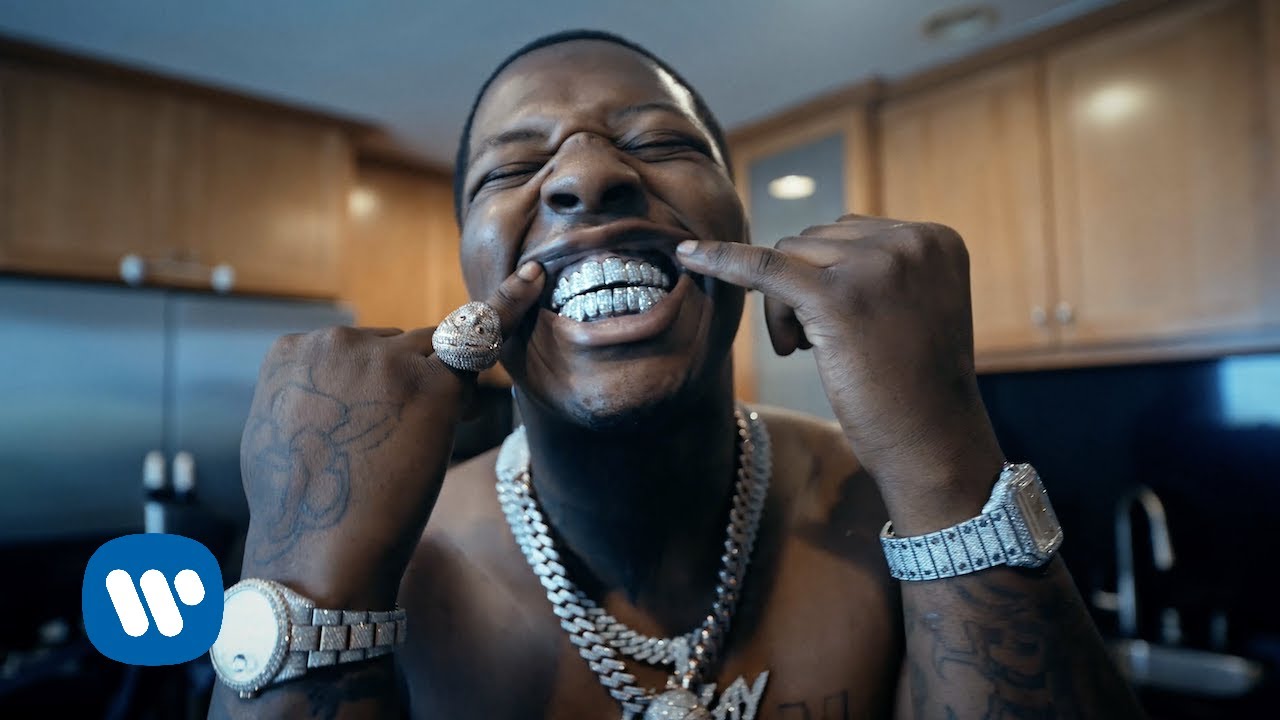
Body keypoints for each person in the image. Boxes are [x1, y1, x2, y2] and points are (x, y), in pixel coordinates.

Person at [208, 30, 1143, 720]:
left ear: (739, 224)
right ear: (469, 266)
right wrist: (300, 583)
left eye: (662, 143)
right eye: (515, 168)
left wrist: (948, 457)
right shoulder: (389, 561)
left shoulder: (887, 505)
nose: (586, 179)